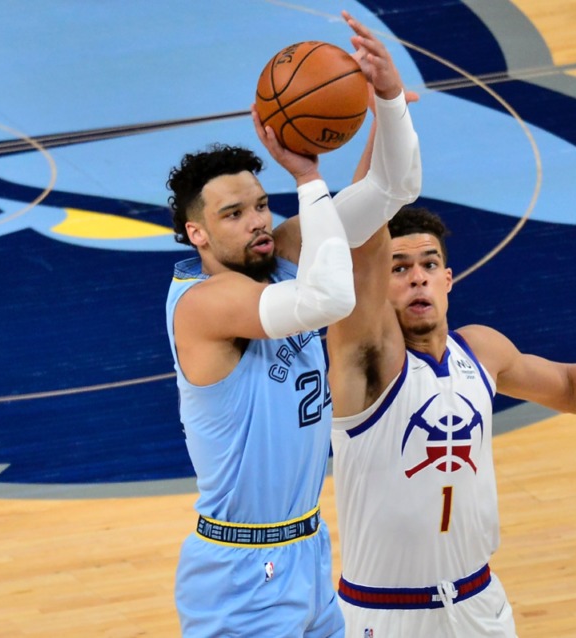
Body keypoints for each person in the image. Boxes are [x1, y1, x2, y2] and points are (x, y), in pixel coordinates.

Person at [325, 206, 576, 637]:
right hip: (385, 612)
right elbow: (358, 251)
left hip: (477, 603)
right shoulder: (367, 368)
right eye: (399, 268)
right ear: (378, 287)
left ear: (448, 280)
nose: (418, 278)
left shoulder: (482, 351)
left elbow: (569, 385)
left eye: (429, 264)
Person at [162, 12, 420, 637]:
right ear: (197, 232)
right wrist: (309, 178)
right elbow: (328, 298)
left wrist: (385, 97)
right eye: (232, 214)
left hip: (307, 548)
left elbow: (394, 189)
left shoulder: (279, 253)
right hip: (240, 571)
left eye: (259, 204)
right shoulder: (204, 305)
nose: (255, 221)